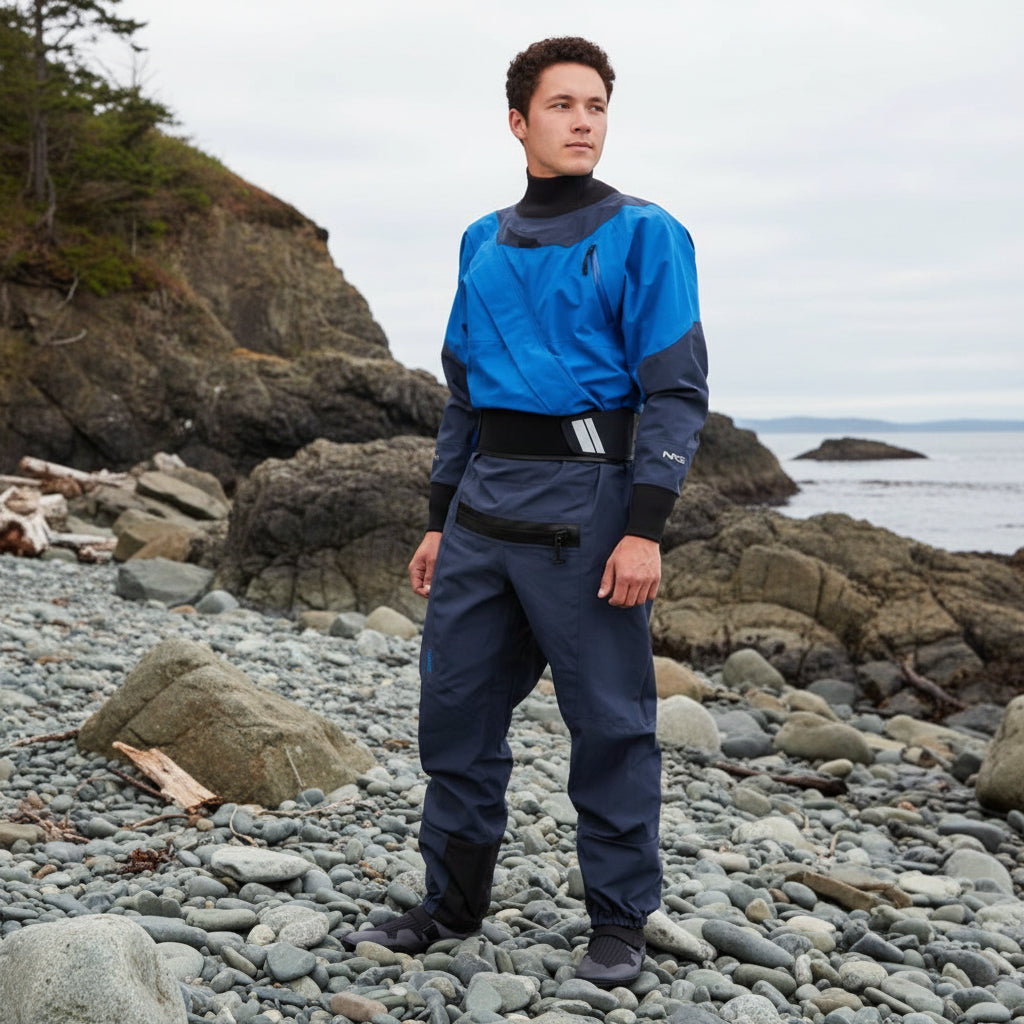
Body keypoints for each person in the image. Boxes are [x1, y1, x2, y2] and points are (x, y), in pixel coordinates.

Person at [343, 36, 709, 988]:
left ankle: (619, 923)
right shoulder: (482, 239)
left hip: (590, 510)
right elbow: (463, 394)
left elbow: (675, 393)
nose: (583, 122)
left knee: (611, 725)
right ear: (519, 122)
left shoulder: (646, 234)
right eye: (562, 105)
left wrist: (644, 529)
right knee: (454, 715)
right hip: (482, 510)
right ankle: (449, 904)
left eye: (596, 106)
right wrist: (437, 519)